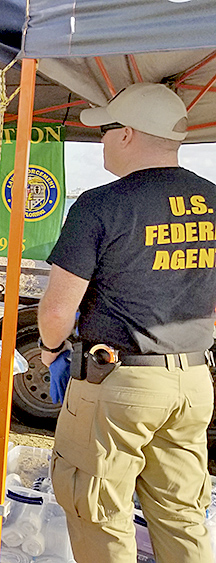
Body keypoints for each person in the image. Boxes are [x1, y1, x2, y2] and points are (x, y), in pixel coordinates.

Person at [38, 83, 216, 563]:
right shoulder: (214, 199)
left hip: (118, 381)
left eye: (107, 129)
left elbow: (56, 311)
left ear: (129, 134)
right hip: (194, 381)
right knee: (182, 512)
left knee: (97, 511)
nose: (101, 140)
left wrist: (52, 351)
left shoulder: (100, 204)